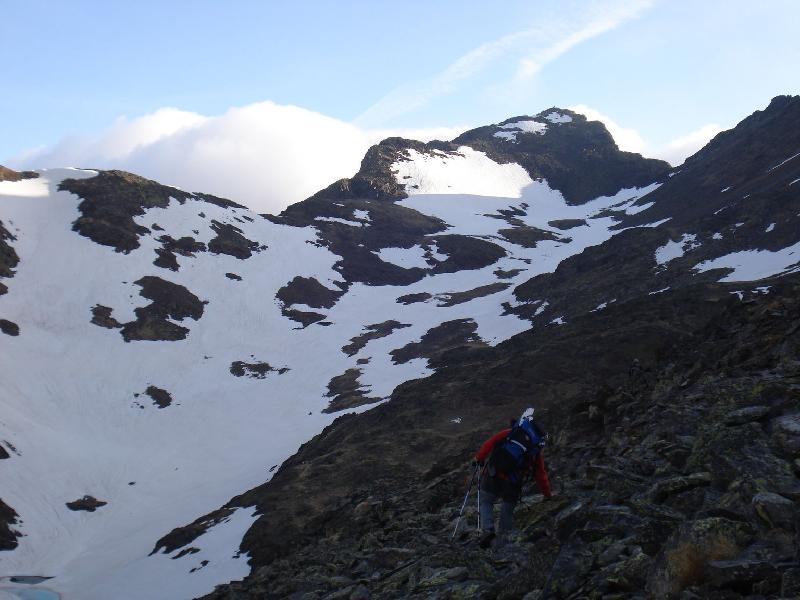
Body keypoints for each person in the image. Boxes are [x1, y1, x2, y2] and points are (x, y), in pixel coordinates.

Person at [473, 410, 553, 548]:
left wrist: (478, 459)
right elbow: (540, 474)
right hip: (514, 481)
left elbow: (489, 444)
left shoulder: (509, 434)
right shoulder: (533, 450)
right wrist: (547, 494)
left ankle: (488, 530)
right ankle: (503, 538)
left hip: (494, 473)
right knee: (507, 509)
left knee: (486, 501)